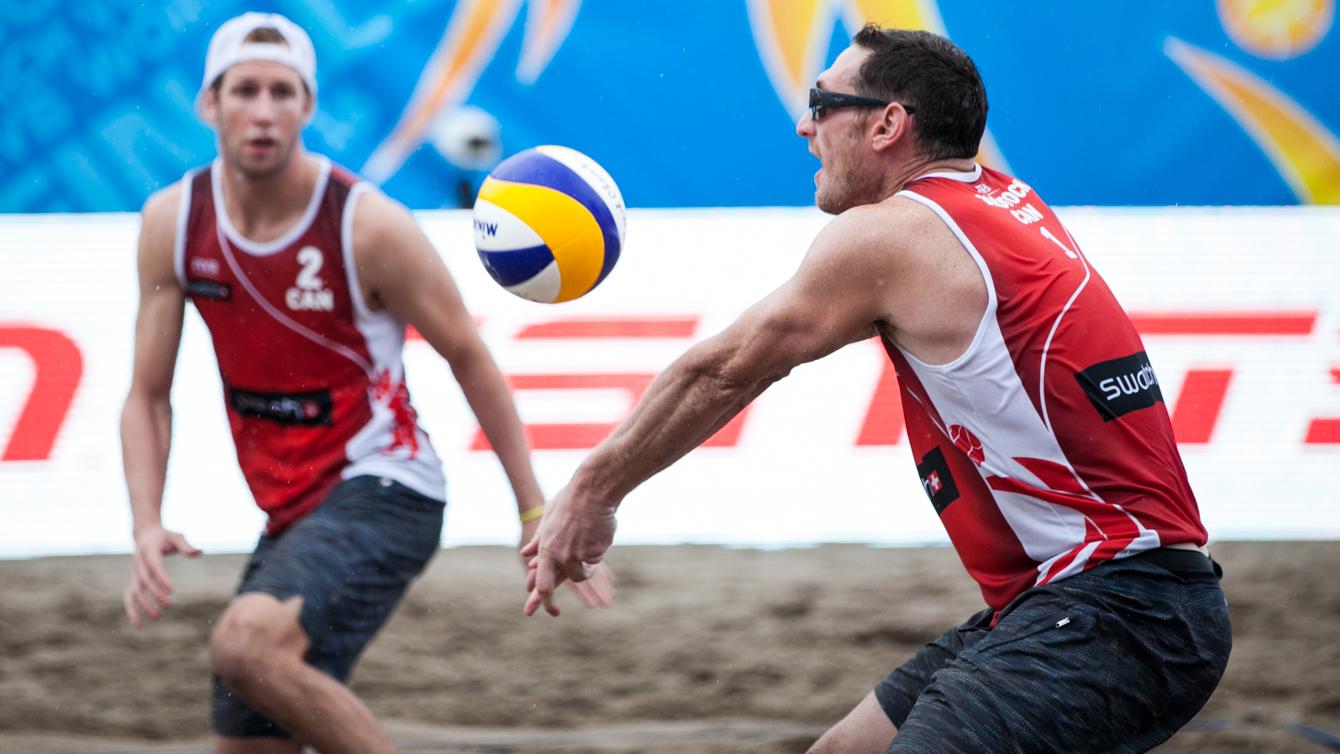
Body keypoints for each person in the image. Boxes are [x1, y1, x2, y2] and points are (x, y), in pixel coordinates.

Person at [522, 25, 1230, 754]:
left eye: (822, 103)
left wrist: (591, 490)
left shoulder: (893, 235)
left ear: (889, 123)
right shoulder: (998, 202)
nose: (804, 126)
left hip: (1119, 613)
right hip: (1092, 603)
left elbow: (727, 367)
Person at [120, 12, 611, 754]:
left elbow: (468, 355)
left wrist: (533, 506)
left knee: (243, 647)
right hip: (291, 509)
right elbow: (147, 395)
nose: (263, 110)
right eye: (244, 90)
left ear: (308, 107)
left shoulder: (368, 225)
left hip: (387, 487)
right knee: (249, 738)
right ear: (208, 104)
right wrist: (145, 521)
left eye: (282, 92)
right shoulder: (173, 221)